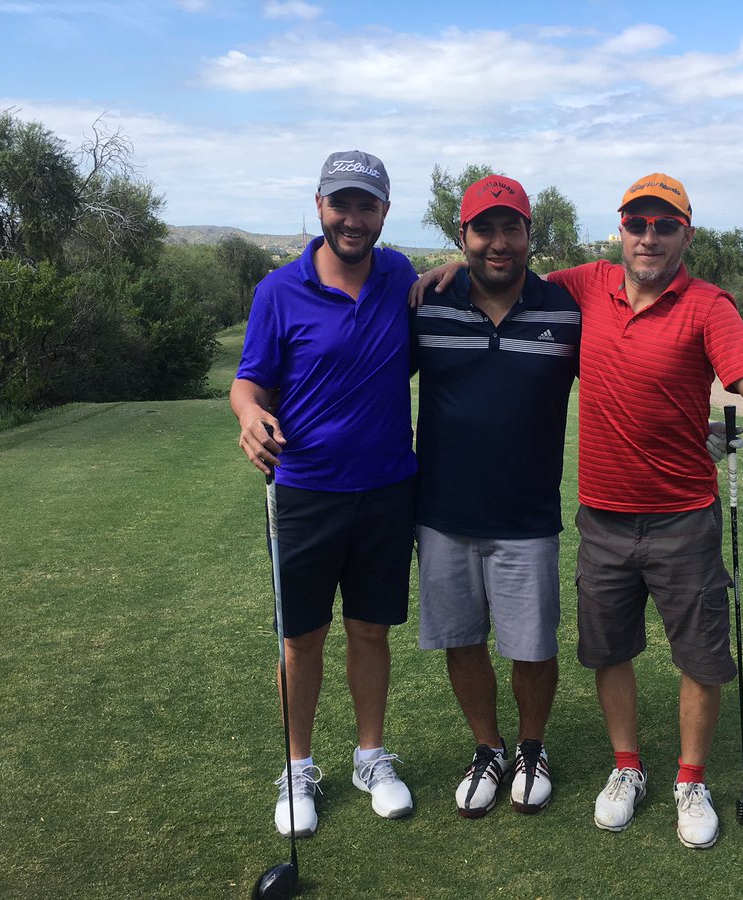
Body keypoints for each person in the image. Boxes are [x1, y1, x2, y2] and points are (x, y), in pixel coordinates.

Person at [541, 172, 743, 848]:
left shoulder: (708, 306)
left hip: (682, 518)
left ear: (685, 234)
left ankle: (691, 779)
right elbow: (501, 278)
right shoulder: (585, 285)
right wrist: (433, 275)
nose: (648, 237)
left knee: (700, 658)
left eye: (663, 225)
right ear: (620, 230)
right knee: (608, 651)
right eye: (637, 224)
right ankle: (626, 768)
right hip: (603, 518)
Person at [230, 150, 418, 839]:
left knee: (371, 631)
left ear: (384, 214)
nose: (353, 218)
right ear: (320, 207)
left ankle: (371, 757)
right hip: (305, 490)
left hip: (388, 490)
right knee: (301, 638)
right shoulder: (279, 290)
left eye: (366, 206)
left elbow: (439, 287)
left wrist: (453, 268)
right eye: (342, 204)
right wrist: (250, 417)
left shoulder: (400, 274)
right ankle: (298, 766)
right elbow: (248, 382)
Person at [410, 175, 581, 817]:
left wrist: (686, 425)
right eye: (484, 229)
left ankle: (532, 746)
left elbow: (626, 378)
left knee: (533, 646)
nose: (498, 242)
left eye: (512, 228)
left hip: (528, 516)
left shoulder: (565, 311)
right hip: (442, 513)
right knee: (462, 640)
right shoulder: (428, 305)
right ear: (463, 236)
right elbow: (364, 374)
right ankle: (488, 747)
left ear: (531, 234)